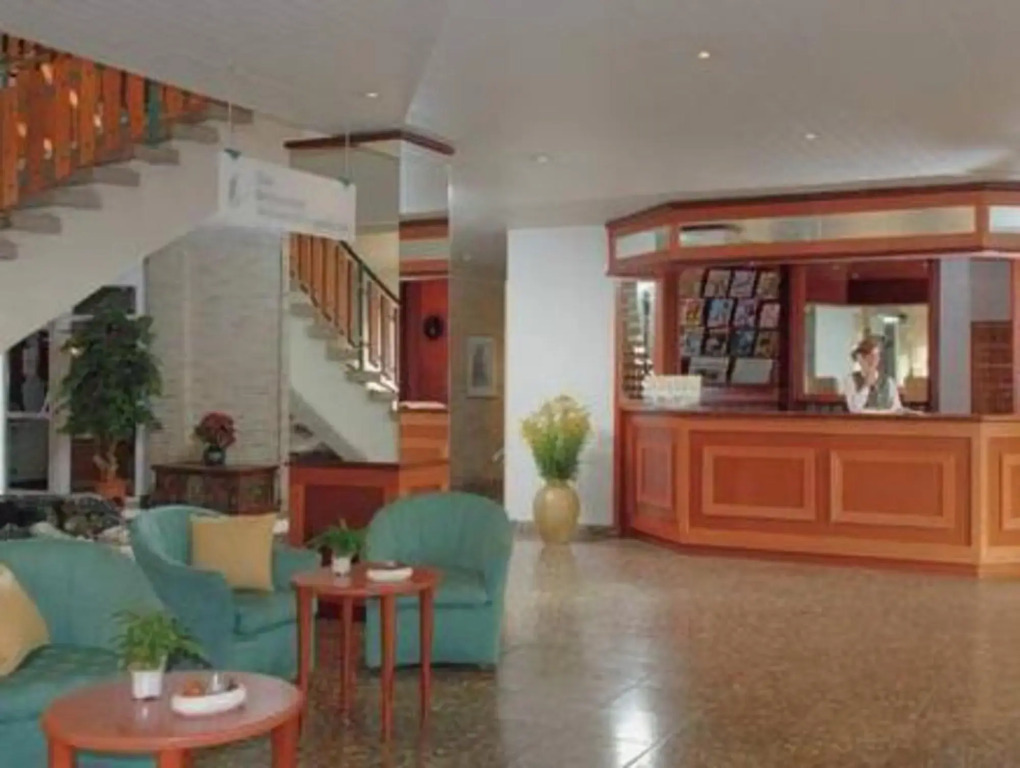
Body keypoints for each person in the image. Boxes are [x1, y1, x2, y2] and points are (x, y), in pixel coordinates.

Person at [843, 337, 904, 414]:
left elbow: (897, 409)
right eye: (869, 356)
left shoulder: (889, 381)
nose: (873, 360)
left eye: (876, 356)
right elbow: (854, 409)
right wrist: (866, 385)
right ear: (860, 358)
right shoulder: (851, 380)